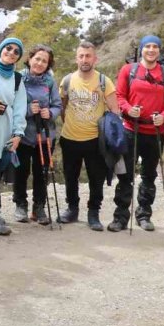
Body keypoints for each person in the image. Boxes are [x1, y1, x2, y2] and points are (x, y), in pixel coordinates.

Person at [107, 35, 164, 233]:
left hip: (155, 131)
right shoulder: (128, 71)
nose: (151, 50)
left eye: (155, 46)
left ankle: (144, 214)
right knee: (125, 174)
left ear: (159, 50)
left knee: (149, 175)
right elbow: (119, 96)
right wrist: (129, 109)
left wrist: (163, 117)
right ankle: (120, 216)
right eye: (147, 46)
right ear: (141, 49)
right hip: (131, 129)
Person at [58, 41, 119, 231]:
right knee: (70, 176)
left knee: (96, 178)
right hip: (69, 138)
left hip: (95, 140)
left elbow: (115, 110)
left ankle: (94, 213)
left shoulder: (104, 81)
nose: (85, 59)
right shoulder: (67, 81)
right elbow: (62, 107)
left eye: (88, 56)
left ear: (95, 58)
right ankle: (72, 209)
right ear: (77, 58)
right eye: (81, 56)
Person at [13, 44, 63, 225]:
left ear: (48, 64)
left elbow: (58, 105)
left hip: (45, 135)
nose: (40, 63)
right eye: (37, 59)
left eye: (44, 61)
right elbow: (11, 105)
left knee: (42, 173)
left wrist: (50, 113)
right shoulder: (18, 78)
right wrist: (28, 109)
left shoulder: (50, 82)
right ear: (30, 59)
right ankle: (20, 204)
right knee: (21, 172)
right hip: (23, 135)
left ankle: (39, 206)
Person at [0, 37, 28, 236]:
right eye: (8, 48)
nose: (11, 53)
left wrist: (18, 133)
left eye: (16, 52)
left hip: (7, 131)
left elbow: (20, 107)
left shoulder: (17, 79)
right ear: (0, 49)